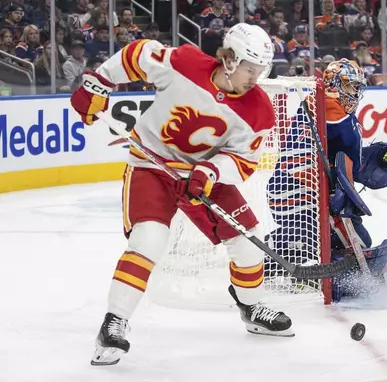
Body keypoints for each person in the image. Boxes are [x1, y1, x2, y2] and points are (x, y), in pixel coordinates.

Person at [70, 23, 292, 367]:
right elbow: (137, 54)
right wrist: (99, 81)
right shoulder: (186, 63)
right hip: (151, 167)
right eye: (251, 68)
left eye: (260, 70)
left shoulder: (259, 108)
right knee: (149, 240)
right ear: (230, 60)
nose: (256, 77)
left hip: (203, 177)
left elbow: (244, 161)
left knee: (249, 241)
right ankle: (113, 324)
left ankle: (251, 307)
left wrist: (212, 170)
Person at [265, 59, 387, 301]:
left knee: (352, 241)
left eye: (357, 88)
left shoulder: (323, 106)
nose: (356, 93)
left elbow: (341, 159)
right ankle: (272, 256)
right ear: (333, 84)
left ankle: (301, 255)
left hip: (312, 191)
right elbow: (347, 157)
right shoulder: (330, 107)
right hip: (296, 189)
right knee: (310, 239)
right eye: (350, 87)